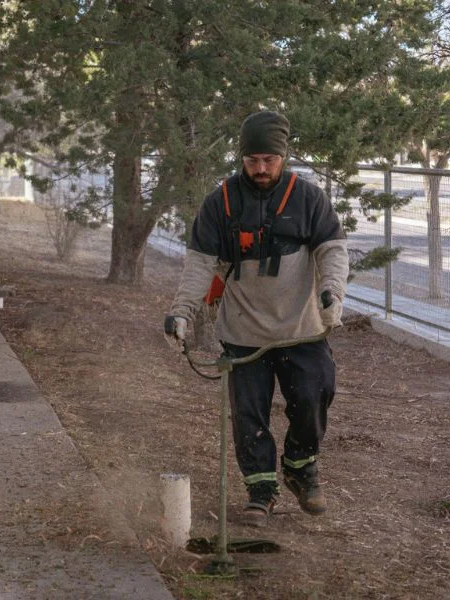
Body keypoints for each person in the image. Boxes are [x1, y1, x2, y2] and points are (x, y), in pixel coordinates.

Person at [163, 110, 349, 526]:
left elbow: (332, 251)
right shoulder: (222, 202)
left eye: (269, 159)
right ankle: (261, 491)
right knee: (249, 415)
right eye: (252, 161)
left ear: (284, 156)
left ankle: (301, 468)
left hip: (302, 329)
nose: (260, 169)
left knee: (313, 398)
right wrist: (181, 314)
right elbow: (199, 265)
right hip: (244, 332)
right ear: (241, 158)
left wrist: (331, 292)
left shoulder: (308, 199)